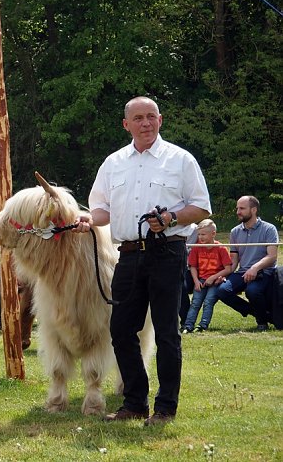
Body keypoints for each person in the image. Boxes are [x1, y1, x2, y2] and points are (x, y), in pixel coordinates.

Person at [74, 96, 211, 426]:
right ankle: (135, 404)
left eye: (151, 117)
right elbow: (102, 211)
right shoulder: (113, 163)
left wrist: (171, 218)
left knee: (166, 333)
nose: (146, 123)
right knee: (120, 330)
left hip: (168, 251)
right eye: (138, 118)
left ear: (160, 120)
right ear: (126, 124)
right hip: (129, 255)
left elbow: (202, 207)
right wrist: (87, 221)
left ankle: (165, 408)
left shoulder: (180, 160)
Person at [214, 196, 279, 331]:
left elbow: (272, 256)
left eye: (242, 208)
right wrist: (225, 274)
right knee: (222, 291)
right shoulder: (235, 232)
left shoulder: (269, 229)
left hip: (264, 272)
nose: (238, 211)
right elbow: (234, 260)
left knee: (252, 291)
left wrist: (255, 268)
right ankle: (263, 315)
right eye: (237, 208)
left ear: (254, 210)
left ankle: (262, 323)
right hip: (243, 272)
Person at [182, 219, 232, 333]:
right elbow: (193, 266)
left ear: (213, 234)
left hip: (215, 282)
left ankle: (203, 325)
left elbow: (228, 268)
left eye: (203, 234)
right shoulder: (196, 247)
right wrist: (196, 281)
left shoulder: (221, 248)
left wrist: (213, 277)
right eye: (199, 234)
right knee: (195, 302)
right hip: (200, 281)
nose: (200, 237)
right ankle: (188, 325)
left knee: (208, 302)